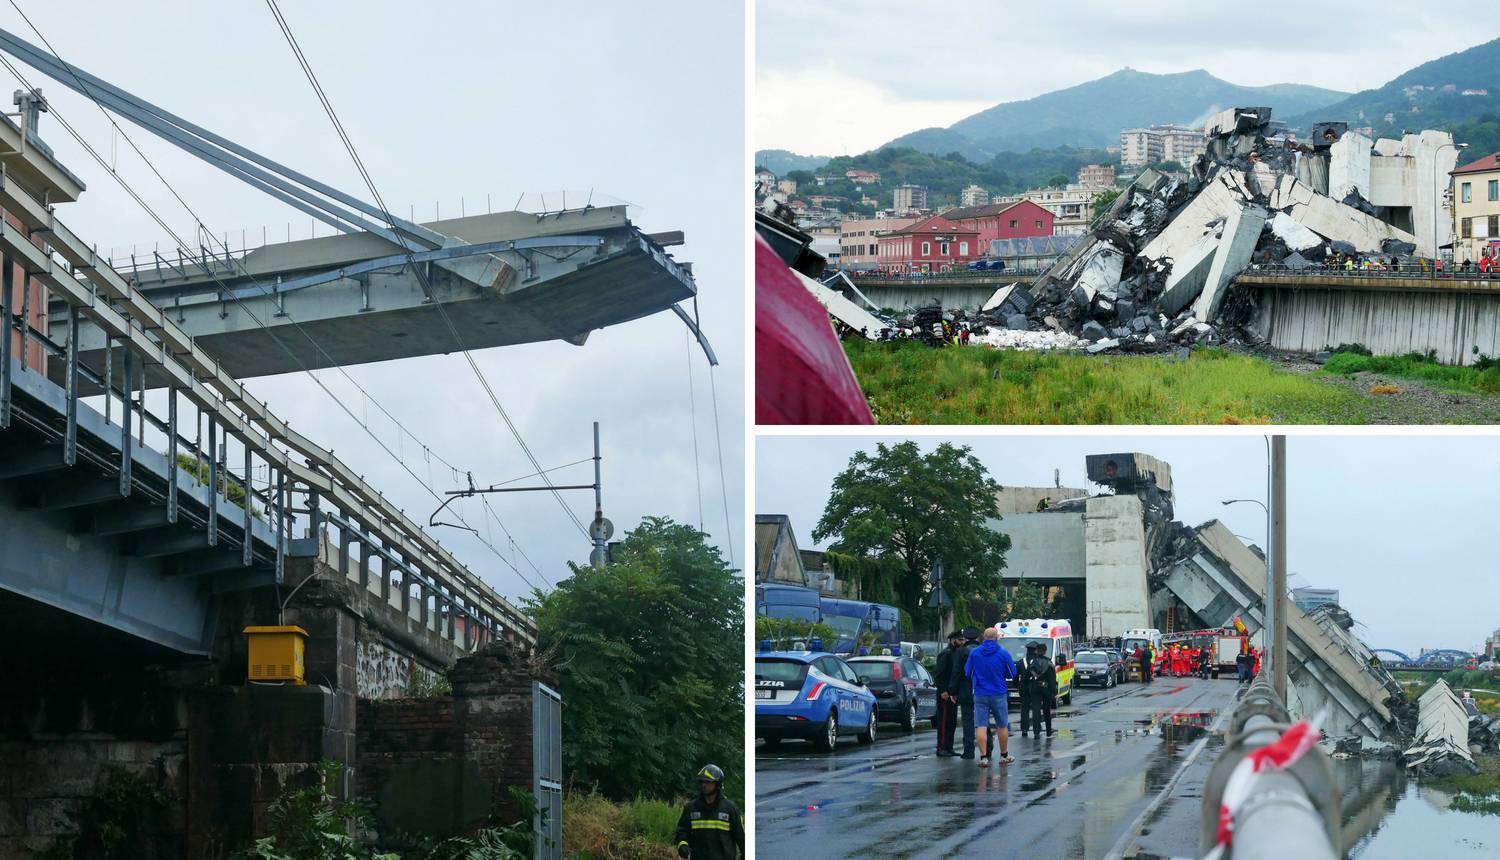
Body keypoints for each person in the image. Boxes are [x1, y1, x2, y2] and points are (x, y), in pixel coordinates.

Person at [964, 627, 1018, 767]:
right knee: (1002, 724)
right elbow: (1012, 673)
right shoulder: (1003, 653)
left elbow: (967, 672)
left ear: (983, 637)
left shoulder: (974, 653)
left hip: (980, 693)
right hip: (999, 693)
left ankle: (983, 757)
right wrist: (1003, 674)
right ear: (997, 637)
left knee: (981, 725)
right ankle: (1004, 755)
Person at [674, 764, 744, 859]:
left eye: (708, 782)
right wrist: (682, 845)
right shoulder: (691, 808)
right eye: (702, 781)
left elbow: (741, 838)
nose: (703, 785)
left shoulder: (730, 809)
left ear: (718, 784)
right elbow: (682, 831)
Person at [945, 627, 980, 759]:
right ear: (977, 638)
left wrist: (952, 691)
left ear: (965, 638)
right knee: (983, 721)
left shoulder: (960, 652)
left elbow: (956, 673)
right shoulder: (982, 650)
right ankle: (987, 749)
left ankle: (969, 751)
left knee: (968, 721)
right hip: (982, 690)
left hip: (965, 691)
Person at [932, 629, 965, 757]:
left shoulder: (956, 653)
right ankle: (941, 748)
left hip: (953, 693)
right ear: (953, 640)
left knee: (951, 722)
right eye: (960, 640)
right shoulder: (945, 654)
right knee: (944, 722)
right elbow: (939, 675)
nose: (962, 642)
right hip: (945, 693)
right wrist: (943, 690)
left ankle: (949, 747)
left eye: (963, 640)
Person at [1020, 642, 1058, 737]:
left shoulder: (1033, 663)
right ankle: (1048, 731)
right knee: (1046, 710)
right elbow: (1052, 679)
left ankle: (1036, 732)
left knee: (1036, 710)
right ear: (1045, 651)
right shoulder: (1049, 663)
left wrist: (1024, 686)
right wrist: (1054, 691)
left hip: (1035, 688)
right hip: (1046, 689)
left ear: (1036, 651)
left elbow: (1026, 677)